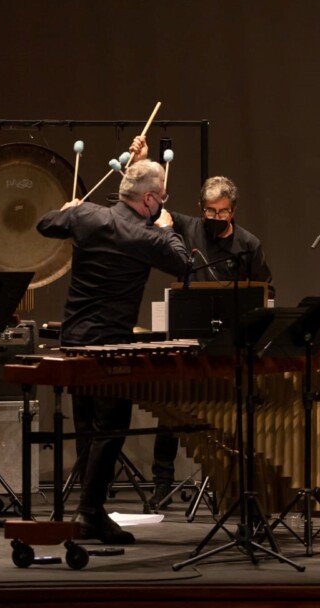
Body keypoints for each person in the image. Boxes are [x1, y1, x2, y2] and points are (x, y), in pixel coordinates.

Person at [36, 159, 191, 544]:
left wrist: (69, 210)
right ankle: (89, 512)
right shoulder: (146, 236)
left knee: (88, 427)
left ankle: (88, 512)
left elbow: (45, 223)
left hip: (73, 341)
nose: (162, 205)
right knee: (113, 427)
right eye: (162, 199)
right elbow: (184, 262)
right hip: (109, 346)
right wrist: (168, 229)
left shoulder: (88, 217)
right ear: (150, 198)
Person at [129, 140, 274, 506]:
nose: (215, 218)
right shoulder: (187, 227)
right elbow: (148, 209)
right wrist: (142, 164)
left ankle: (224, 480)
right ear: (201, 208)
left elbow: (265, 291)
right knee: (172, 410)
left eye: (222, 212)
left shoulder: (248, 244)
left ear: (233, 210)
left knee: (227, 413)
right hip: (187, 338)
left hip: (230, 344)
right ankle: (163, 482)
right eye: (209, 211)